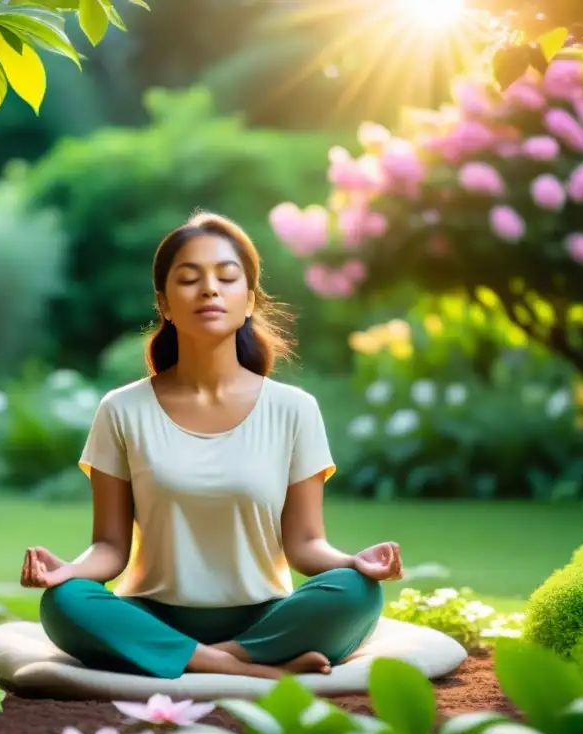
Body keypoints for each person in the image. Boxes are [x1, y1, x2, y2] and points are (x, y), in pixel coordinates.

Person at [20, 212, 403, 680]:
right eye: (189, 279)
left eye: (226, 277)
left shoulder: (294, 409)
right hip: (152, 614)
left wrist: (352, 562)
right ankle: (253, 669)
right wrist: (69, 572)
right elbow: (110, 547)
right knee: (66, 602)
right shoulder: (121, 410)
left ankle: (196, 658)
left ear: (248, 302)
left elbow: (305, 545)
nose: (209, 289)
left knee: (358, 592)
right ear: (163, 303)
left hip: (262, 618)